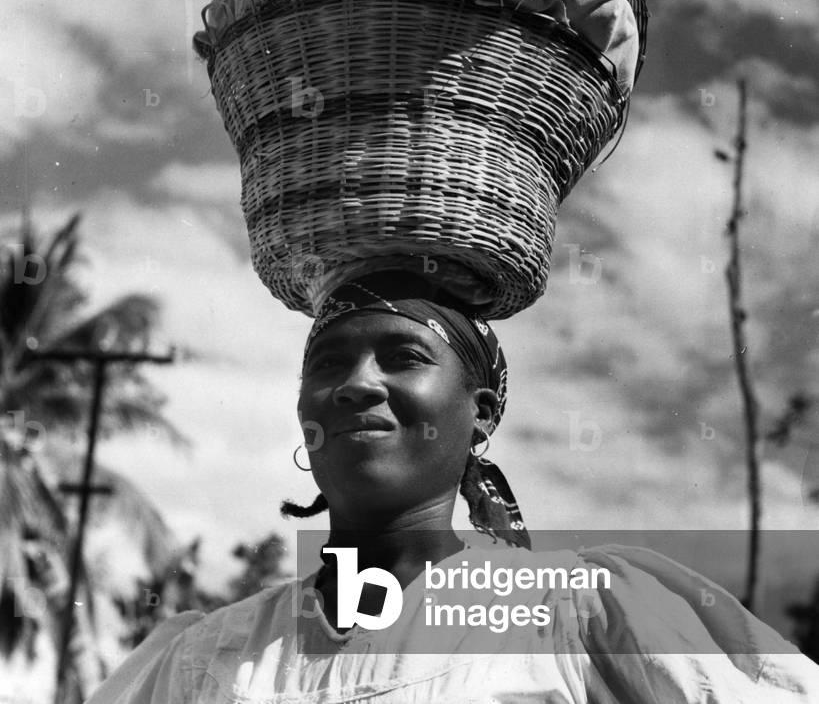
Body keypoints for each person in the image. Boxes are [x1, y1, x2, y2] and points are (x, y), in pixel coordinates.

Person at [87, 270, 819, 703]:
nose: (356, 384)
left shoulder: (581, 616)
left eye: (401, 356)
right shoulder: (198, 660)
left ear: (480, 414)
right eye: (328, 364)